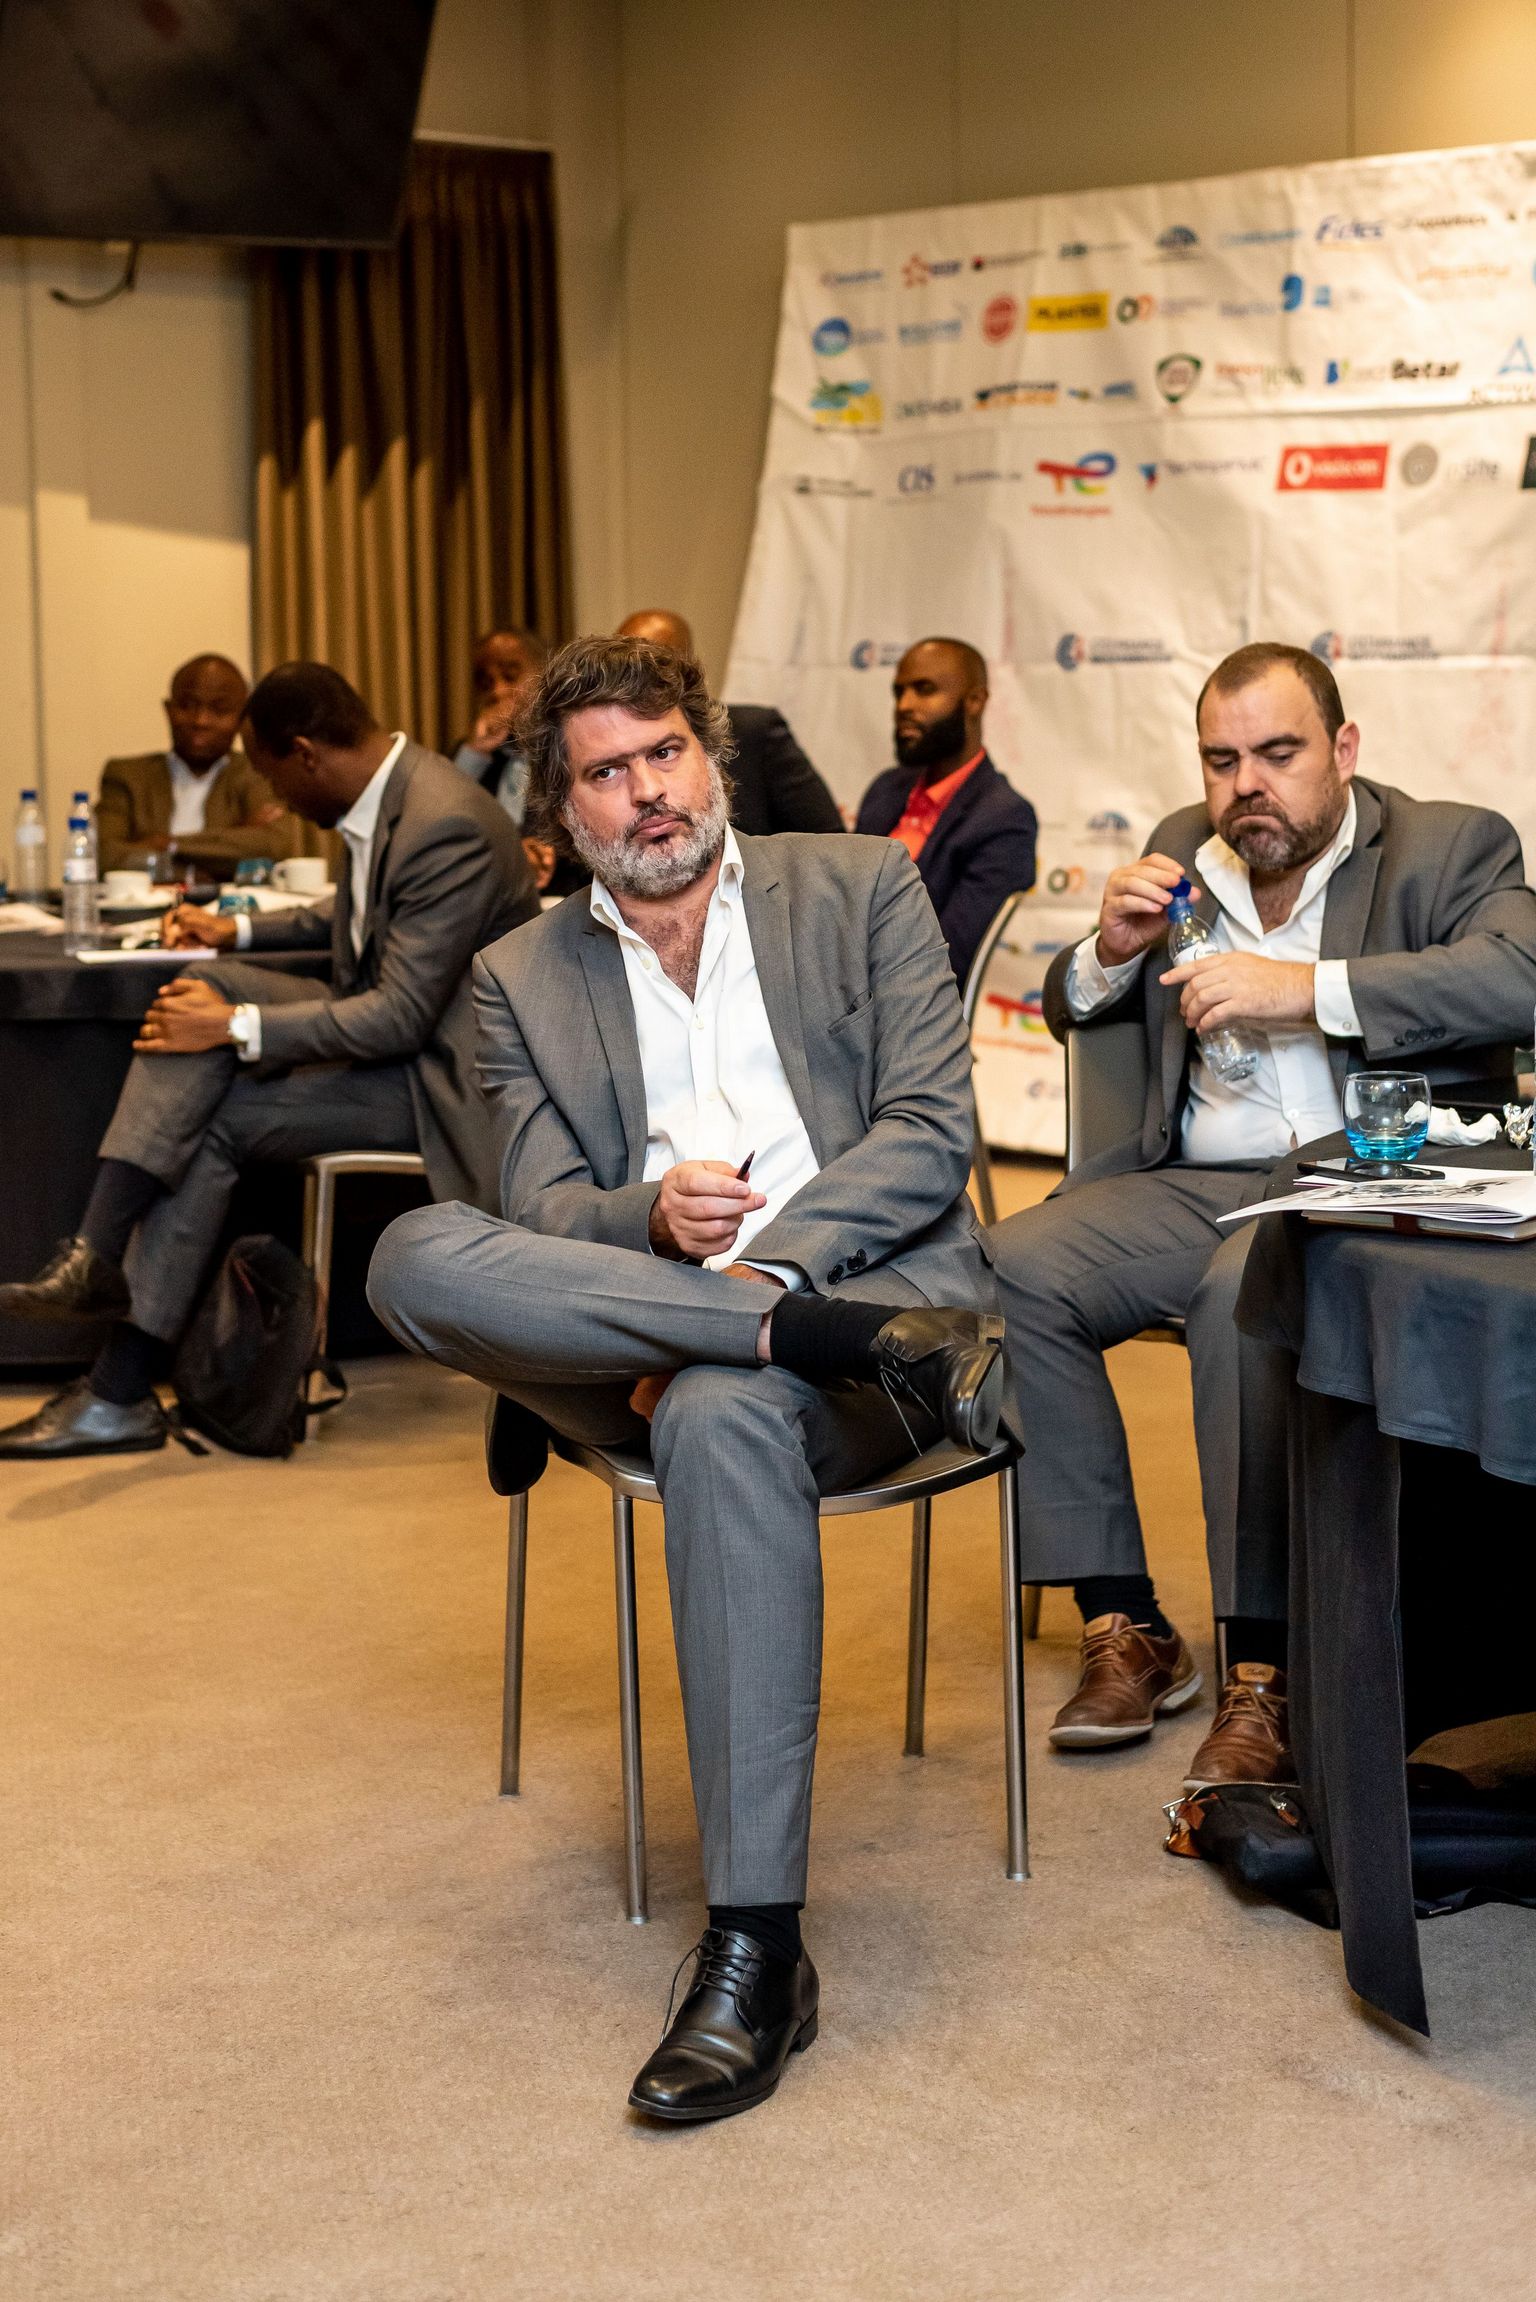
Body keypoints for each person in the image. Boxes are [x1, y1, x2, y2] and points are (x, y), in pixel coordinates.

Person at [366, 635, 1004, 2124]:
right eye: (608, 770)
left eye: (666, 752)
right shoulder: (520, 973)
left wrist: (773, 1272)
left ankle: (757, 1944)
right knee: (410, 1250)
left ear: (706, 756)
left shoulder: (861, 885)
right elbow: (539, 1210)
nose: (649, 790)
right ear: (561, 806)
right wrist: (654, 1227)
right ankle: (769, 1337)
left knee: (718, 1410)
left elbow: (928, 1131)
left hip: (866, 1310)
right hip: (649, 1332)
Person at [988, 641, 1536, 1791]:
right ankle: (1126, 1619)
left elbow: (1519, 976)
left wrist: (1310, 992)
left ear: (1343, 748)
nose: (1248, 785)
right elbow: (1069, 1005)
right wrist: (1106, 952)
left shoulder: (1450, 844)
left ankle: (1266, 1669)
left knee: (1243, 1292)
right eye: (1222, 759)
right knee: (1016, 1263)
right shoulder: (1182, 848)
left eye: (1279, 754)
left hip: (1358, 1183)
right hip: (1200, 1177)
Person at [0, 664, 538, 1459]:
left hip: (446, 1084)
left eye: (272, 774)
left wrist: (234, 1029)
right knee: (203, 980)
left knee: (217, 1108)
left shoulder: (444, 821)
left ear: (305, 752)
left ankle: (117, 1387)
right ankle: (93, 1258)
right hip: (402, 1045)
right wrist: (237, 930)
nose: (276, 798)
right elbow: (356, 913)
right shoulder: (393, 790)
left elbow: (397, 1016)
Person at [855, 638, 1037, 986]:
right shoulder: (885, 790)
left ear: (975, 701)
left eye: (924, 690)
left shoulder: (1005, 819)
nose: (904, 706)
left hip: (913, 1005)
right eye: (899, 692)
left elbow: (951, 959)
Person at [615, 608, 844, 836]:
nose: (636, 683)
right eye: (622, 670)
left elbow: (827, 838)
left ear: (684, 668)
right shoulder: (605, 750)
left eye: (651, 668)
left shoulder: (754, 733)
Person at [97, 653, 311, 878]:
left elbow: (273, 845)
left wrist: (166, 844)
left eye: (219, 709)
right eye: (188, 706)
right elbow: (104, 856)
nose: (201, 721)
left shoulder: (258, 773)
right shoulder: (127, 776)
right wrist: (232, 838)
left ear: (242, 717)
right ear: (169, 710)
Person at [451, 624, 583, 896]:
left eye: (510, 677)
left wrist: (545, 852)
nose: (497, 691)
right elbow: (443, 829)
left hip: (564, 898)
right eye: (486, 683)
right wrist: (475, 752)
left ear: (545, 678)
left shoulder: (574, 745)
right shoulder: (473, 754)